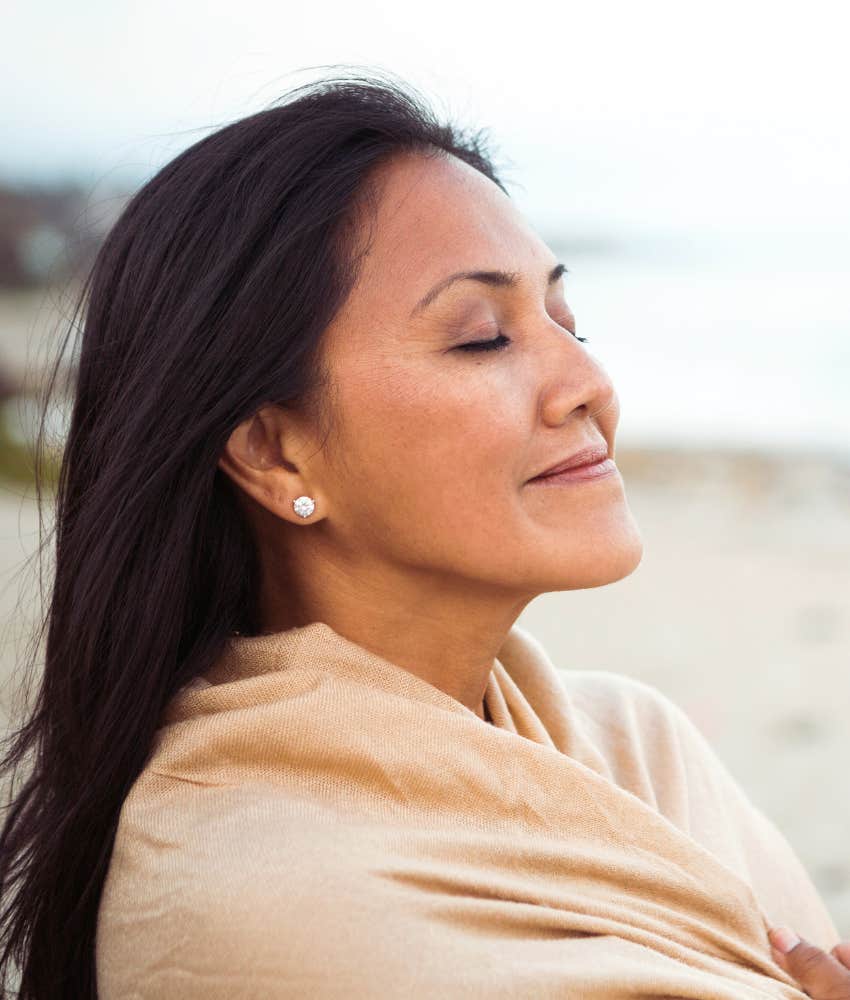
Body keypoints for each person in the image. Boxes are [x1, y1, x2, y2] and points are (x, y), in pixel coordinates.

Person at [0, 67, 846, 999]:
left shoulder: (638, 748)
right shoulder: (259, 902)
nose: (589, 384)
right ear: (275, 453)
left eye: (570, 321)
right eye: (484, 336)